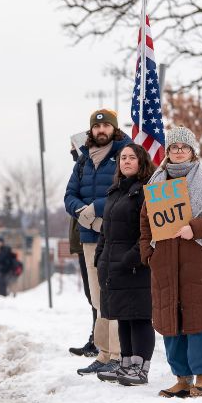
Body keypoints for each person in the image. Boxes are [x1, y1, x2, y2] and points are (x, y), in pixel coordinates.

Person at [140, 126, 202, 398]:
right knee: (171, 324)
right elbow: (145, 222)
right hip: (165, 263)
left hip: (199, 262)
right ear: (167, 151)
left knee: (199, 321)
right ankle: (181, 379)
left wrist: (195, 228)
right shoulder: (156, 183)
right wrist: (148, 254)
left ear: (192, 151)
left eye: (184, 147)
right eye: (174, 147)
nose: (179, 151)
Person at [65, 108, 131, 376]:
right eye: (96, 127)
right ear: (91, 130)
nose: (101, 130)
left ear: (114, 129)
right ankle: (103, 354)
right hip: (90, 238)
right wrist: (83, 212)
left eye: (106, 126)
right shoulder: (83, 160)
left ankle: (117, 355)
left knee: (113, 295)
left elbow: (128, 189)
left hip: (116, 236)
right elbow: (69, 195)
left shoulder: (125, 155)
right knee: (97, 298)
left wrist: (96, 208)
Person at [94, 143, 156, 386]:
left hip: (135, 266)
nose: (126, 161)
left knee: (139, 317)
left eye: (132, 157)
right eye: (123, 158)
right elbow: (105, 230)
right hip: (113, 266)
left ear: (142, 162)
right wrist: (100, 256)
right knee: (123, 317)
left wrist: (132, 257)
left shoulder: (147, 191)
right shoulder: (115, 191)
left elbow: (151, 231)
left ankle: (141, 368)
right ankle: (126, 363)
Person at [68, 143, 98, 358]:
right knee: (91, 293)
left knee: (98, 294)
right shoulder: (80, 171)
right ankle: (96, 338)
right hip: (82, 240)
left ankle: (100, 341)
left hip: (95, 236)